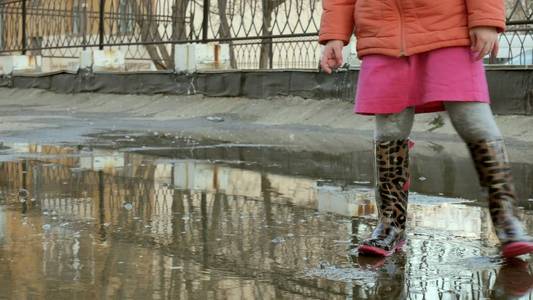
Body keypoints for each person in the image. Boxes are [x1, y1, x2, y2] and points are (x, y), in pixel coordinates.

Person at [318, 0, 533, 257]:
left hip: (449, 27)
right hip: (382, 33)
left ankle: (506, 218)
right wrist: (334, 35)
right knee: (389, 129)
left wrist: (486, 19)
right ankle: (390, 224)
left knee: (473, 119)